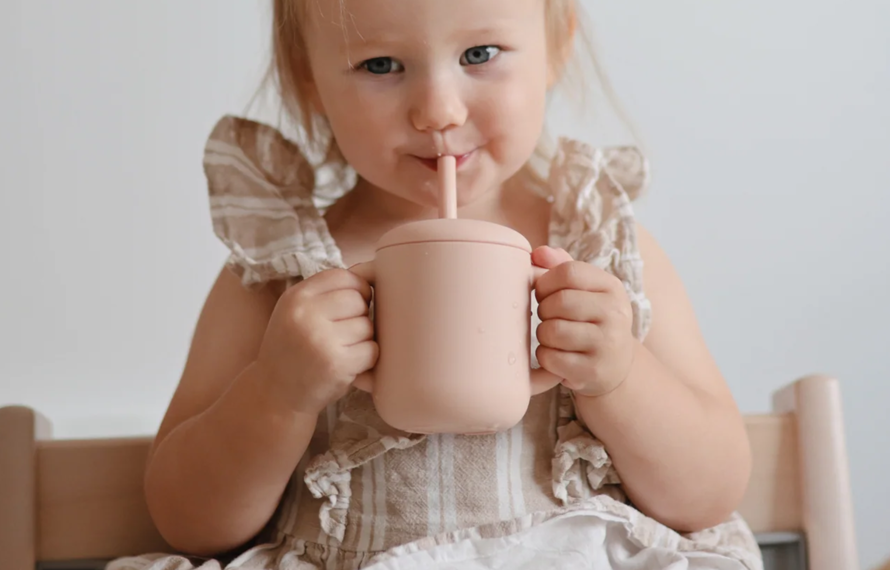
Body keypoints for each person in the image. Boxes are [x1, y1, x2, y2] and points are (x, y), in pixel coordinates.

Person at [109, 0, 762, 568]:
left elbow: (711, 493)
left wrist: (619, 378)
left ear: (555, 46)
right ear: (311, 84)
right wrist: (277, 392)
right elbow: (187, 521)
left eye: (479, 53)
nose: (438, 111)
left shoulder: (603, 251)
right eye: (381, 66)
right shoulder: (277, 272)